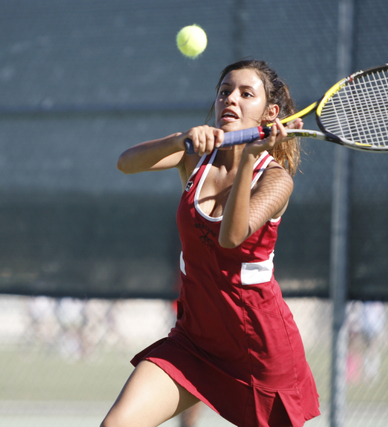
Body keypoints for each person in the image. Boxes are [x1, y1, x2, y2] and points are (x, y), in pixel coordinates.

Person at [102, 59, 320, 427]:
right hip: (195, 340)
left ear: (271, 113)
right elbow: (126, 163)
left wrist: (249, 157)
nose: (230, 99)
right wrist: (178, 140)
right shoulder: (196, 156)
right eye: (224, 92)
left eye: (245, 93)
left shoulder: (277, 180)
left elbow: (232, 237)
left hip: (259, 349)